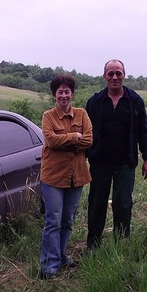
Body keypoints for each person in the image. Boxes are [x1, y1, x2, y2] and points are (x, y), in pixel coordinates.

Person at [85, 59, 147, 250]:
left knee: (123, 204)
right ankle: (93, 246)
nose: (115, 77)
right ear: (104, 76)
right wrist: (81, 159)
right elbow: (86, 132)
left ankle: (121, 245)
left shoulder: (135, 100)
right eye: (111, 73)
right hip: (99, 161)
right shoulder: (95, 102)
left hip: (125, 162)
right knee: (96, 204)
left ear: (124, 75)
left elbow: (143, 131)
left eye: (118, 73)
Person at [38, 74, 93, 278]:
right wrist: (73, 137)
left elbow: (88, 140)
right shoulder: (48, 116)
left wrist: (68, 141)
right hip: (53, 177)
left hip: (76, 175)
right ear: (54, 95)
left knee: (68, 219)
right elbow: (51, 141)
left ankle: (60, 255)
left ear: (72, 93)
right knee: (53, 220)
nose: (64, 95)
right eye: (60, 92)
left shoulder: (82, 114)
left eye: (67, 91)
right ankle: (49, 265)